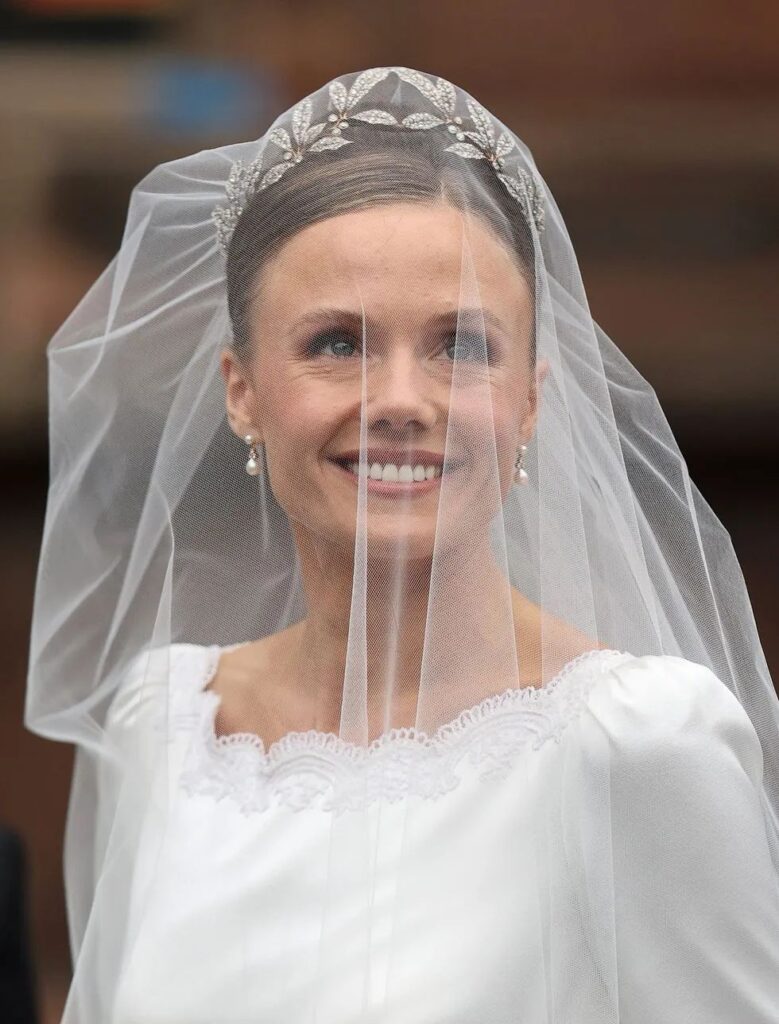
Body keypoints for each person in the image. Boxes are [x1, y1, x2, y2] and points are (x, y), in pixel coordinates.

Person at [25, 66, 779, 1023]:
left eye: (459, 345)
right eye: (337, 344)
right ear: (241, 390)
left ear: (533, 399)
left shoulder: (635, 746)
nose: (402, 403)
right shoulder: (162, 729)